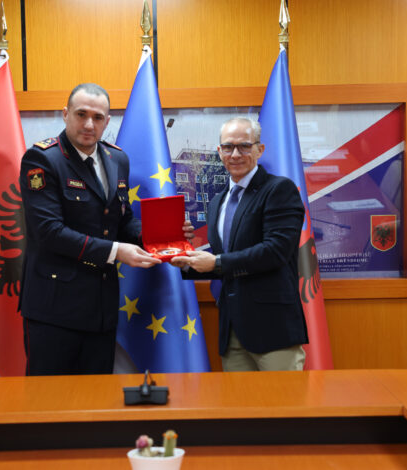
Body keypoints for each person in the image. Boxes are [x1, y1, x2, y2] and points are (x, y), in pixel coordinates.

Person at [19, 83, 161, 375]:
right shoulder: (42, 159)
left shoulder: (117, 159)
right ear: (65, 114)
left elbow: (121, 220)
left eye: (97, 118)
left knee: (98, 396)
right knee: (49, 397)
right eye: (81, 114)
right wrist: (116, 251)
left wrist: (158, 235)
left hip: (101, 308)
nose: (88, 124)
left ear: (107, 122)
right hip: (54, 309)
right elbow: (49, 232)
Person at [171, 117, 309, 371]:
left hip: (273, 329)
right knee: (237, 398)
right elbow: (226, 259)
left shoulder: (279, 189)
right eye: (228, 147)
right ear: (219, 151)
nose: (235, 154)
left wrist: (217, 262)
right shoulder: (217, 202)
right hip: (232, 329)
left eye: (244, 146)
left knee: (283, 398)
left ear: (259, 149)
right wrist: (187, 261)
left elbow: (276, 251)